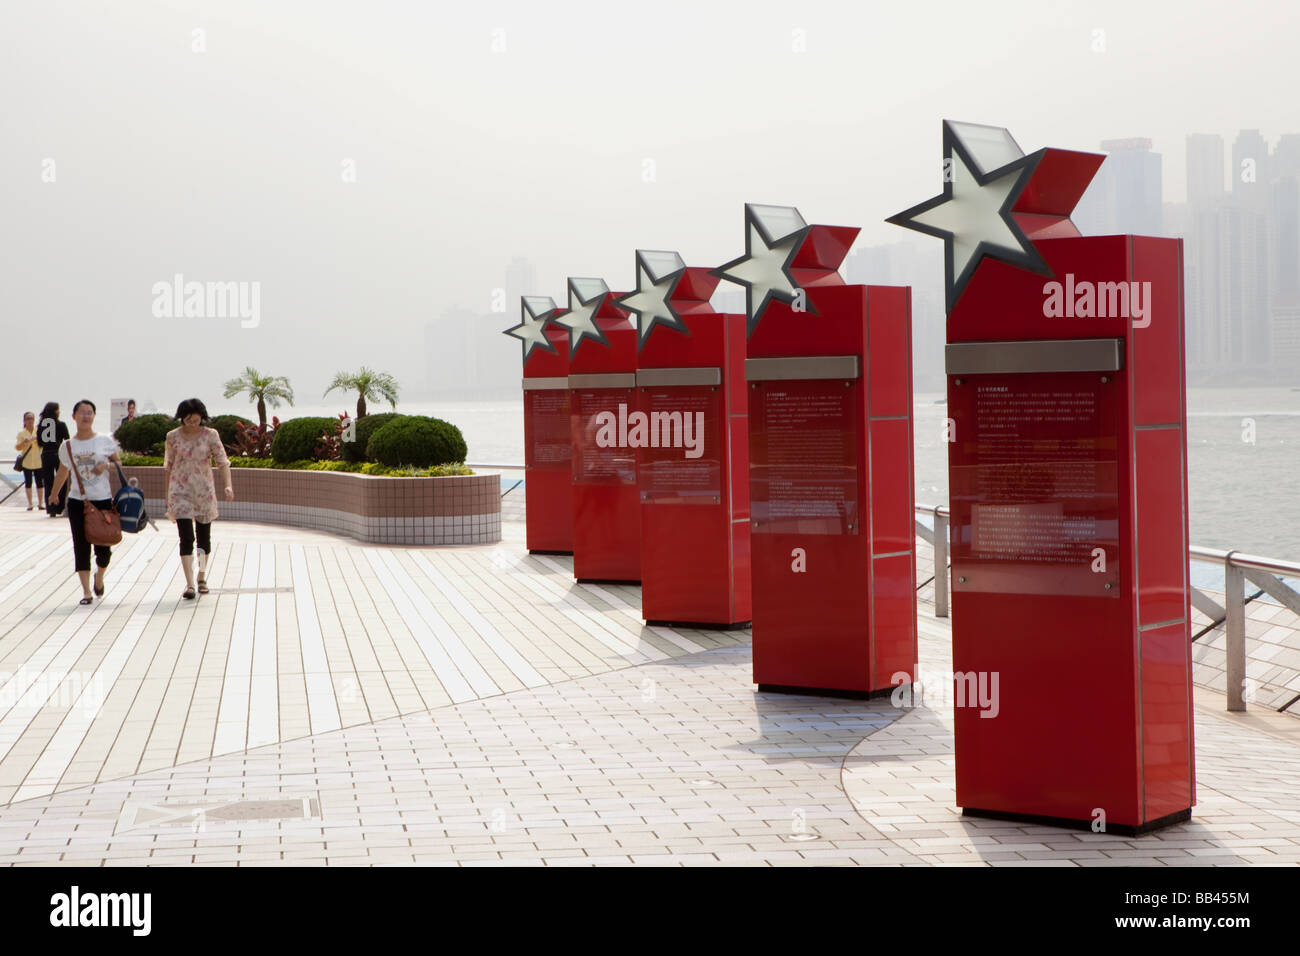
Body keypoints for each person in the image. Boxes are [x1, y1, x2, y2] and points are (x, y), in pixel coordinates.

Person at [47, 400, 122, 605]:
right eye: (82, 413)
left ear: (94, 416)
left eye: (90, 413)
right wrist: (54, 494)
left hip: (102, 500)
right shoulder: (68, 446)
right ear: (74, 417)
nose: (86, 416)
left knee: (104, 547)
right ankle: (87, 592)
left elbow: (118, 463)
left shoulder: (104, 440)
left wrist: (105, 465)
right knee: (81, 546)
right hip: (77, 501)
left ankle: (99, 576)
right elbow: (63, 471)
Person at [164, 398, 233, 600]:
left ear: (202, 417)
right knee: (186, 537)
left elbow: (222, 462)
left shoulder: (210, 435)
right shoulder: (172, 437)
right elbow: (168, 466)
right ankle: (189, 583)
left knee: (204, 539)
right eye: (188, 420)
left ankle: (202, 575)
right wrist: (167, 495)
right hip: (180, 491)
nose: (192, 423)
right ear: (181, 418)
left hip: (203, 491)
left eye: (196, 419)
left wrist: (228, 485)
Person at [36, 402, 69, 517]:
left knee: (48, 482)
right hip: (58, 454)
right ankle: (60, 506)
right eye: (58, 409)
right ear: (55, 411)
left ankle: (51, 508)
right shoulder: (61, 424)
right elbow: (67, 440)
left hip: (46, 455)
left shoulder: (41, 425)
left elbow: (40, 442)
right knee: (62, 480)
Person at [14, 412, 45, 511]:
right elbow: (17, 447)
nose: (30, 420)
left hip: (38, 461)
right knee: (28, 483)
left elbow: (44, 444)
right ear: (24, 421)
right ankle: (30, 504)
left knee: (40, 483)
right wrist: (24, 442)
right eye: (28, 418)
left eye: (31, 418)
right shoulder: (21, 433)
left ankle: (40, 503)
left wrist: (38, 439)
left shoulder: (38, 431)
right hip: (27, 462)